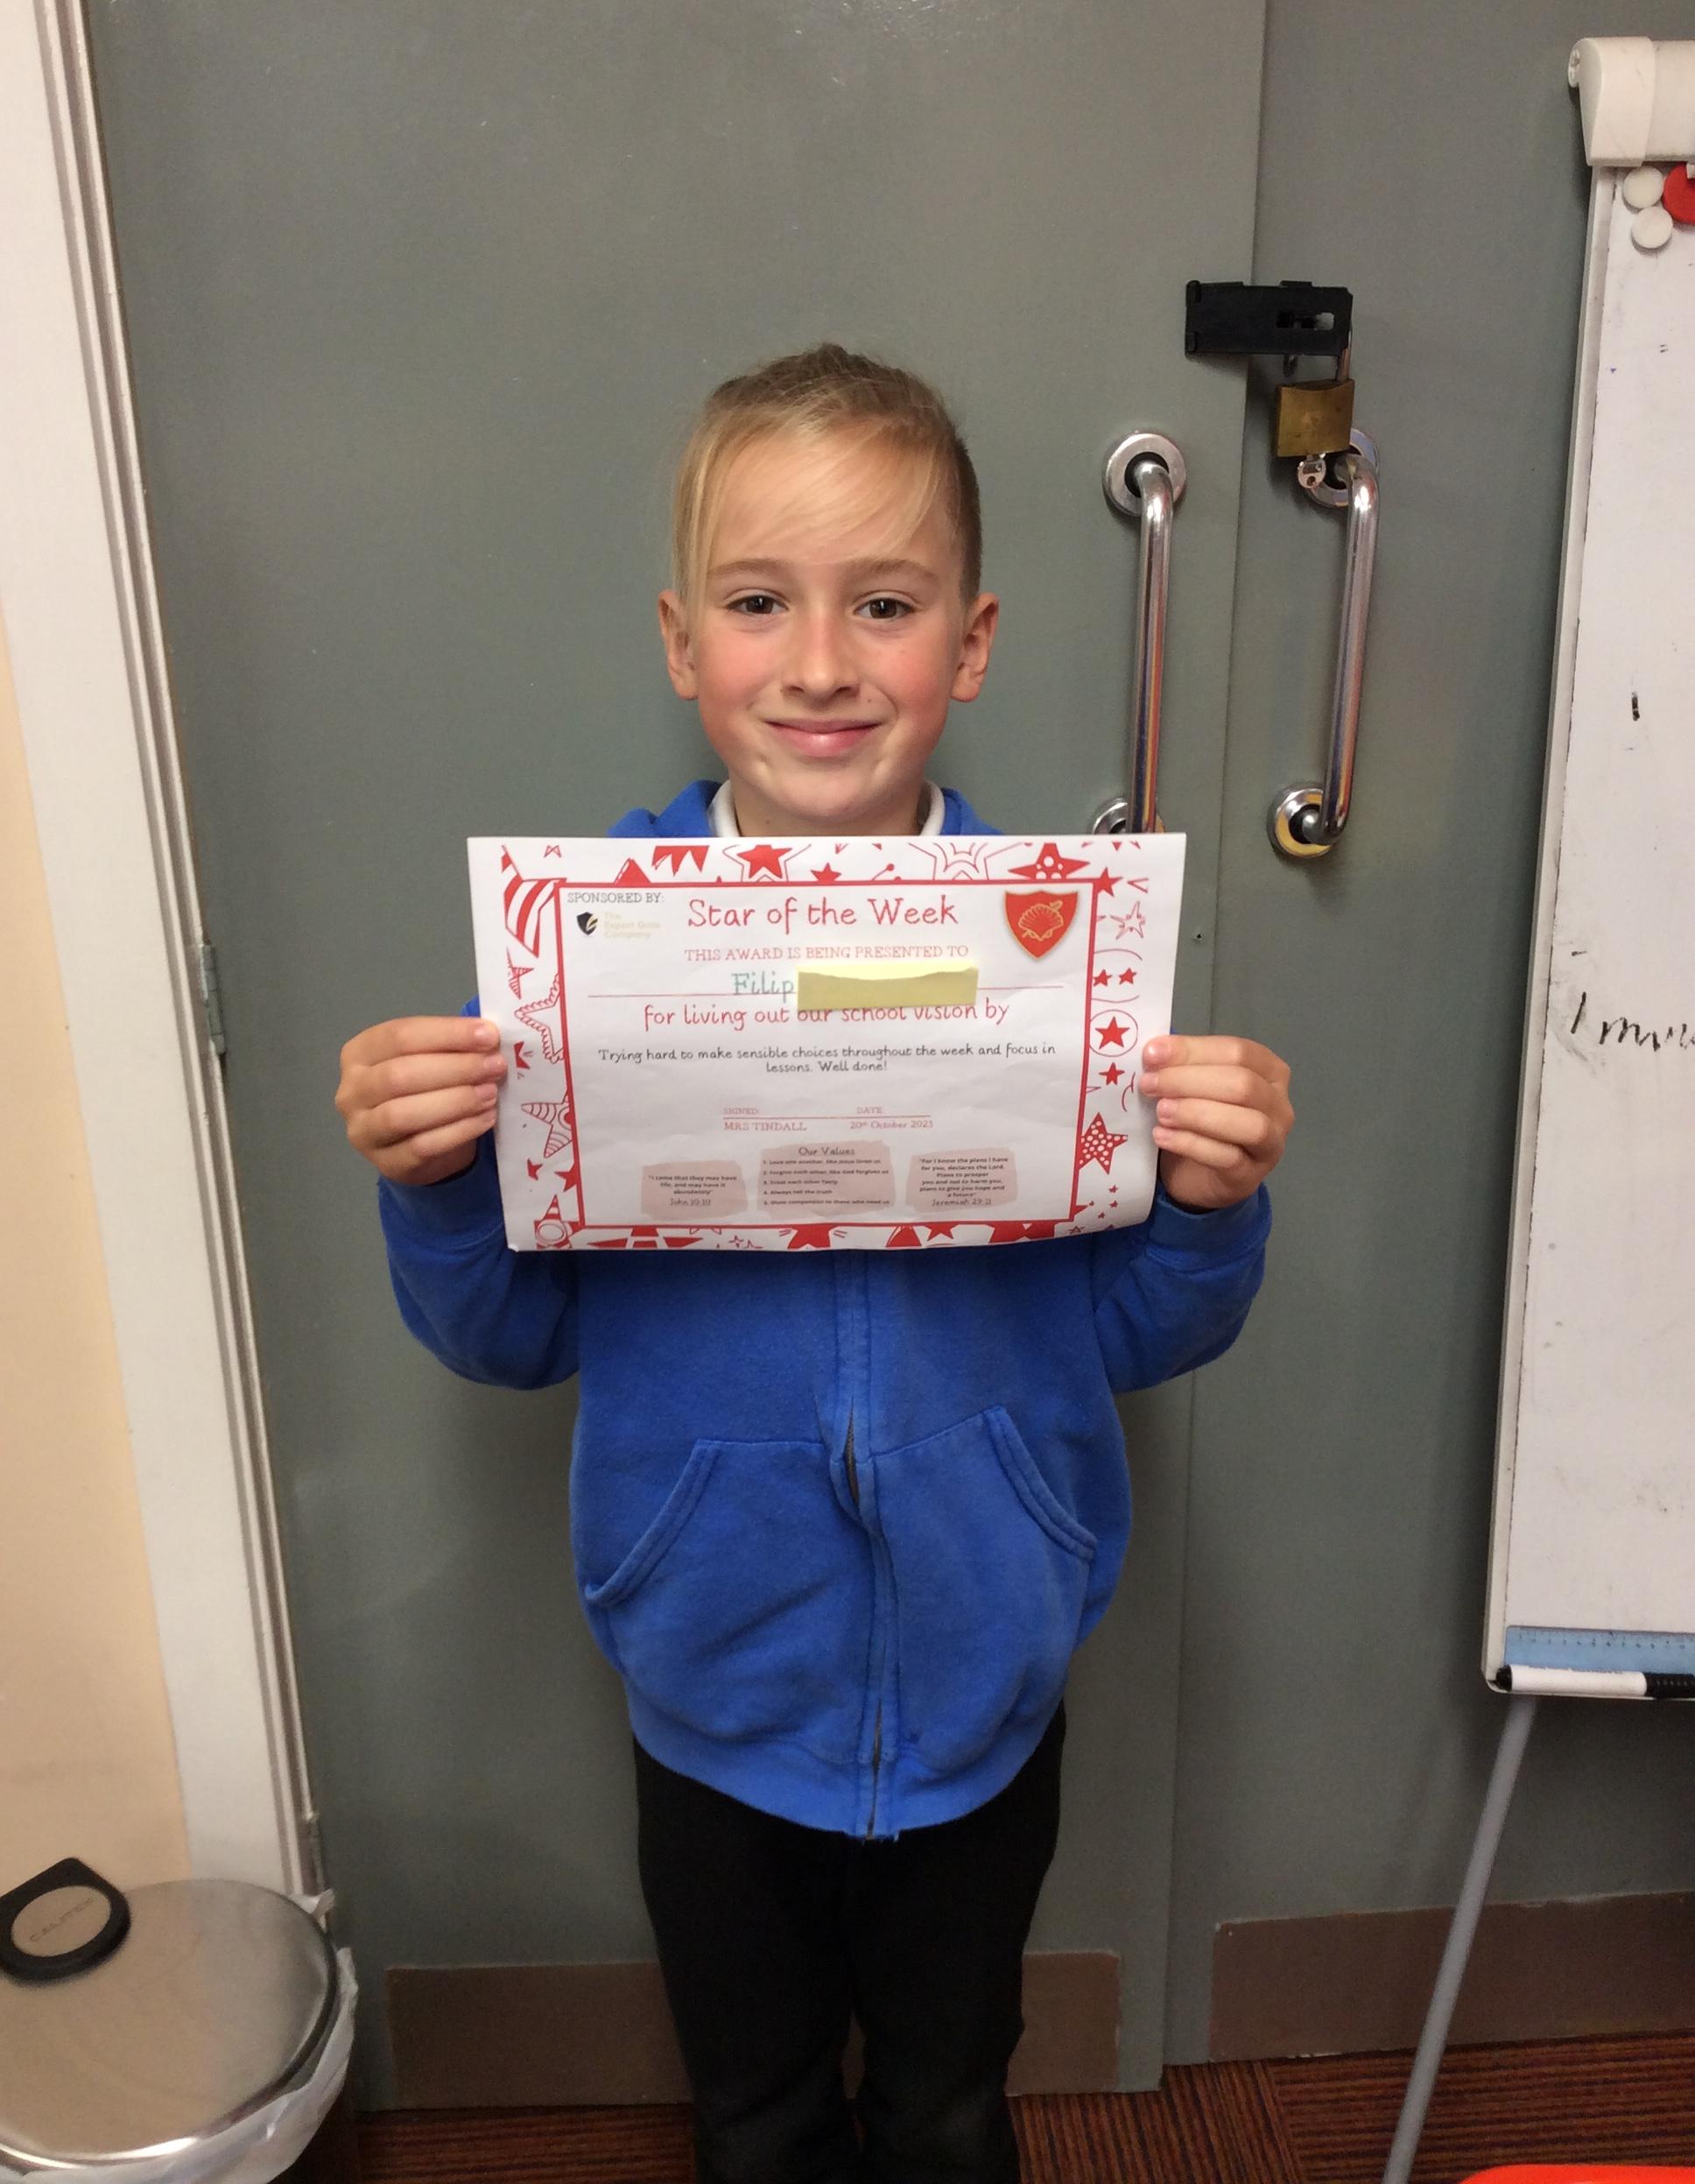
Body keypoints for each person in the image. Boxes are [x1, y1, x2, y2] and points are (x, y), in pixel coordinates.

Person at [335, 344, 1293, 2184]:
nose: (823, 663)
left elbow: (1139, 1331)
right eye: (760, 602)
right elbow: (504, 1338)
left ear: (973, 642)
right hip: (712, 1679)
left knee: (948, 2106)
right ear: (681, 639)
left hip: (986, 1675)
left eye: (887, 604)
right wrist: (436, 1181)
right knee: (758, 2117)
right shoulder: (573, 960)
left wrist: (1206, 1200)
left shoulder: (1062, 957)